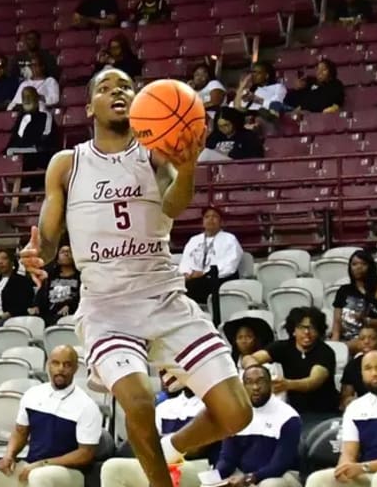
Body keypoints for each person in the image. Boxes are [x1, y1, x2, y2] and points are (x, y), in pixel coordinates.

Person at [19, 67, 252, 487]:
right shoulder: (67, 164)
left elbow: (174, 207)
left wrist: (190, 166)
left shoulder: (155, 152)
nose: (117, 92)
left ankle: (171, 449)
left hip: (164, 296)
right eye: (105, 89)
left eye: (125, 86)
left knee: (237, 413)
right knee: (139, 399)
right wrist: (37, 253)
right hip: (107, 305)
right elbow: (50, 239)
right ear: (90, 106)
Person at [0, 346, 102, 487]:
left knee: (39, 478)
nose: (61, 369)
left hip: (68, 471)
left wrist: (43, 464)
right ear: (48, 365)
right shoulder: (33, 394)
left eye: (67, 364)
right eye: (55, 363)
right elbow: (20, 431)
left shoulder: (87, 405)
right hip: (31, 465)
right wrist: (9, 456)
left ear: (76, 369)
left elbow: (85, 454)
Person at [303, 351, 377, 487]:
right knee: (318, 480)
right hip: (366, 470)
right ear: (362, 374)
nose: (374, 373)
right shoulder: (355, 407)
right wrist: (344, 466)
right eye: (368, 368)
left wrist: (364, 467)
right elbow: (349, 453)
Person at [242, 307, 340, 425]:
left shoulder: (325, 352)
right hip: (294, 411)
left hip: (323, 413)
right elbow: (250, 358)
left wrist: (287, 384)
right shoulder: (283, 347)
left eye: (312, 328)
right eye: (301, 328)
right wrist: (253, 368)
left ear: (319, 331)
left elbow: (313, 382)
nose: (306, 333)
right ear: (293, 330)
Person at [101, 387, 216, 487]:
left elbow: (196, 449)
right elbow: (147, 443)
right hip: (164, 460)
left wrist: (162, 444)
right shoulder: (165, 406)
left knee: (114, 469)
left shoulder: (215, 402)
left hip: (205, 464)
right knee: (111, 468)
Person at [215, 366, 302, 487]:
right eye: (249, 383)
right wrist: (214, 478)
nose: (255, 387)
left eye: (260, 381)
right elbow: (227, 459)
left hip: (281, 476)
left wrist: (250, 478)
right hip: (245, 475)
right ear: (243, 387)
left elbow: (280, 465)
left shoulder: (288, 417)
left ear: (270, 384)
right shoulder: (235, 416)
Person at [178, 206, 243, 322]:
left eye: (215, 217)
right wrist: (188, 273)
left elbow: (230, 265)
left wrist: (204, 273)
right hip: (195, 279)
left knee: (192, 287)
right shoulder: (194, 240)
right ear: (203, 221)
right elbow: (185, 260)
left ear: (221, 221)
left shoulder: (229, 239)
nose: (210, 219)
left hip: (218, 279)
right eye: (207, 217)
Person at [332, 251, 377, 355]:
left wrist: (365, 320)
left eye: (363, 264)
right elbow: (337, 320)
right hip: (345, 337)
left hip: (370, 337)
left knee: (344, 349)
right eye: (354, 264)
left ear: (370, 266)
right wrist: (335, 341)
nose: (358, 267)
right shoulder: (343, 290)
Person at [0, 250, 34, 327]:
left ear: (12, 262)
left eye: (4, 259)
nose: (0, 262)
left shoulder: (22, 281)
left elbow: (23, 305)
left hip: (9, 319)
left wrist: (2, 317)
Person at [31, 245, 81, 325]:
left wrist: (70, 306)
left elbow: (82, 298)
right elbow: (41, 296)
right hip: (49, 316)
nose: (66, 254)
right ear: (57, 257)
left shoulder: (80, 278)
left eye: (69, 252)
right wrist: (36, 306)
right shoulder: (50, 278)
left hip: (70, 316)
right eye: (62, 252)